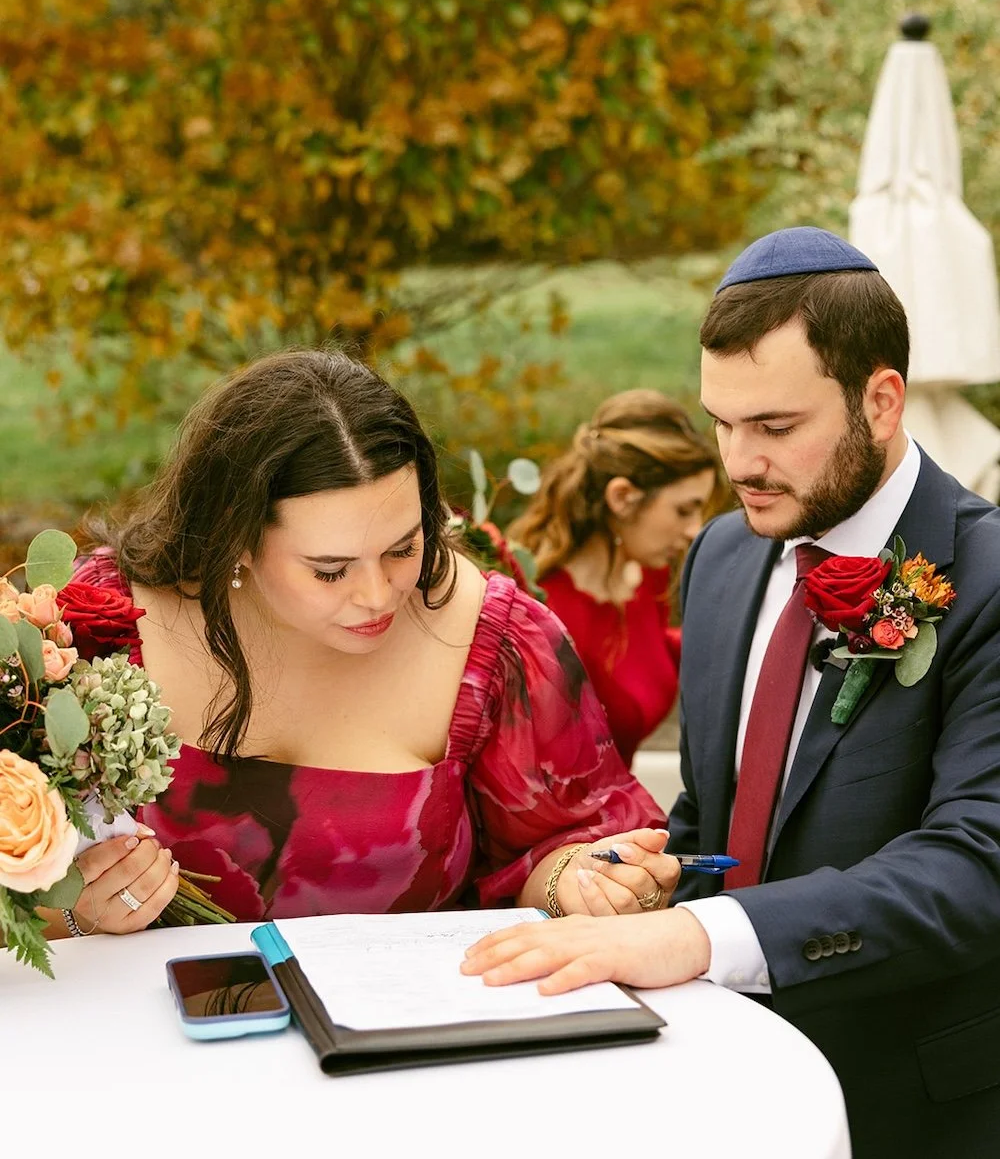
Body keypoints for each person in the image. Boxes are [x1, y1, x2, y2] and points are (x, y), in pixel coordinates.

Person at [462, 227, 1000, 1159]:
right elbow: (722, 809)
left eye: (776, 427)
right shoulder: (719, 557)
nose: (738, 461)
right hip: (710, 1080)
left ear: (881, 400)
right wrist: (654, 874)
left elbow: (975, 865)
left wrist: (702, 938)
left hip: (915, 1105)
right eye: (723, 421)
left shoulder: (987, 575)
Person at [49, 349, 674, 939]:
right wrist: (76, 919)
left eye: (404, 548)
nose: (378, 595)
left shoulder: (497, 640)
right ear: (233, 537)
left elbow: (559, 849)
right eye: (330, 569)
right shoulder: (94, 627)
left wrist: (581, 881)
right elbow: (21, 906)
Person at [507, 391, 716, 764]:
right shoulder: (544, 617)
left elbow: (648, 649)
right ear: (622, 497)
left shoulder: (648, 574)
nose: (693, 530)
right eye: (684, 510)